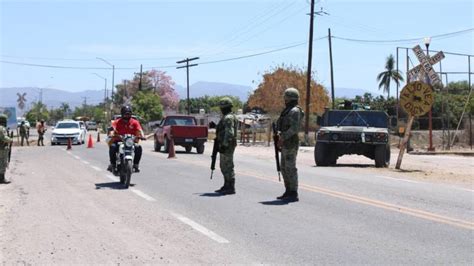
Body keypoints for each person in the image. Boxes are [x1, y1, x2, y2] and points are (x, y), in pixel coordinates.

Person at [276, 88, 304, 202]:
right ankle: (288, 190)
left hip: (290, 143)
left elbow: (294, 128)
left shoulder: (294, 111)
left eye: (286, 98)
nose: (285, 100)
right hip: (285, 143)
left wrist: (282, 138)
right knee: (284, 167)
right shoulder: (287, 110)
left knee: (290, 168)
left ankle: (293, 192)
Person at [107, 106, 144, 173]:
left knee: (138, 147)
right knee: (112, 147)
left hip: (130, 141)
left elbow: (140, 129)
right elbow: (112, 128)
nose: (127, 115)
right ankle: (113, 165)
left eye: (129, 114)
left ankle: (136, 165)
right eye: (126, 114)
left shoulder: (135, 122)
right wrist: (111, 133)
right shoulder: (117, 122)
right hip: (118, 140)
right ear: (122, 114)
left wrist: (142, 136)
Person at [214, 97, 239, 195]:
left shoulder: (228, 118)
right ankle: (226, 185)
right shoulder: (229, 117)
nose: (221, 109)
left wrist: (224, 144)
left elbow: (229, 133)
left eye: (222, 107)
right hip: (226, 144)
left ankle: (230, 187)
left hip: (227, 145)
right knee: (224, 166)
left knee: (228, 166)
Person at [0, 114, 13, 184]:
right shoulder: (2, 128)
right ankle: (2, 178)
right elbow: (4, 138)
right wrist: (10, 140)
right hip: (2, 148)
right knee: (3, 163)